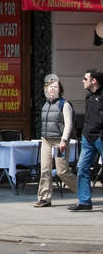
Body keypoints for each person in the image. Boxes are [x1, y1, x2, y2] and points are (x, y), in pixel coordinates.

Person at [35, 73, 76, 207]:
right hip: (46, 140)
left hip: (59, 141)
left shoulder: (64, 104)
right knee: (45, 170)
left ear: (60, 89)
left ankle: (83, 192)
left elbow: (68, 124)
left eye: (55, 87)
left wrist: (64, 140)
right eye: (49, 87)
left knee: (62, 171)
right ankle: (44, 198)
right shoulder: (45, 105)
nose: (52, 89)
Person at [70, 69, 103, 212]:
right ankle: (84, 201)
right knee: (82, 167)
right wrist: (83, 133)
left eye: (85, 78)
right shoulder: (88, 97)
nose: (83, 81)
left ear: (93, 80)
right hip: (87, 139)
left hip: (100, 138)